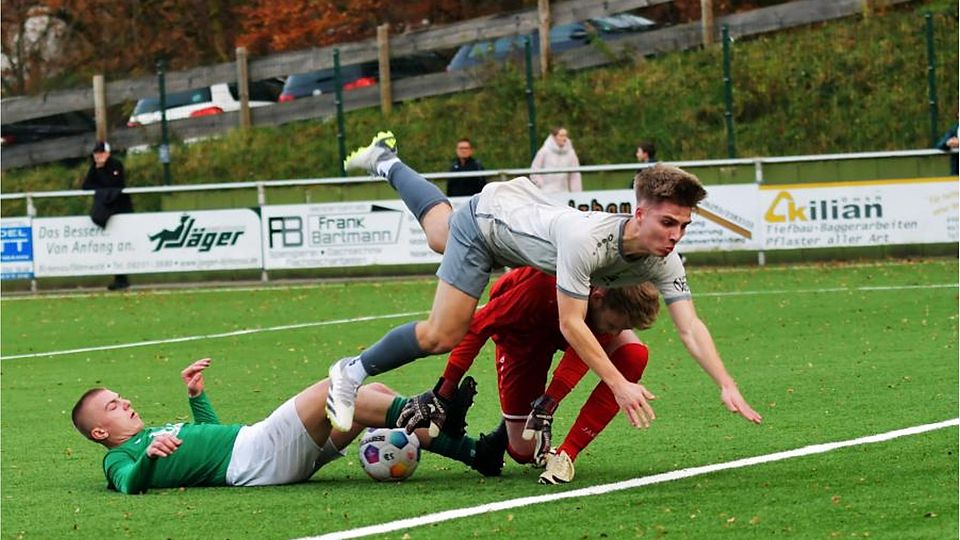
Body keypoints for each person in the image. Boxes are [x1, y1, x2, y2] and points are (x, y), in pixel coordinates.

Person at [328, 130, 761, 446]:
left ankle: (386, 161)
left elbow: (690, 327)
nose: (676, 235)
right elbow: (571, 324)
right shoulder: (586, 243)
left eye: (684, 225)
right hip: (488, 226)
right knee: (440, 335)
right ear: (639, 213)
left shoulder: (664, 258)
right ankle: (351, 372)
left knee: (438, 231)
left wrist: (725, 382)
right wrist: (617, 383)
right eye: (668, 222)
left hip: (526, 211)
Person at [71, 359, 493, 494]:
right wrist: (144, 458)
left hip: (255, 451)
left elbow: (213, 438)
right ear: (100, 433)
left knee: (372, 393)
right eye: (113, 405)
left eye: (120, 397)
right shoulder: (121, 457)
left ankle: (474, 452)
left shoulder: (149, 433)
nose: (124, 402)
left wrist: (198, 398)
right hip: (259, 455)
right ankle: (432, 408)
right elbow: (128, 484)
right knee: (337, 384)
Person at [436, 266, 660, 484]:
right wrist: (445, 391)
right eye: (613, 325)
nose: (614, 333)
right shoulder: (539, 290)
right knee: (523, 450)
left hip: (578, 316)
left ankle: (567, 454)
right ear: (598, 297)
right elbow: (477, 326)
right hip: (526, 334)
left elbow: (583, 352)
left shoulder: (616, 275)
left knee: (633, 355)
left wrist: (547, 405)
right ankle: (493, 444)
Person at [82, 141, 133, 290]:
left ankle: (122, 278)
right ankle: (120, 279)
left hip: (121, 210)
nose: (98, 156)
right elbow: (86, 185)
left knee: (123, 245)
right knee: (114, 245)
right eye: (96, 153)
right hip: (108, 211)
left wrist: (101, 174)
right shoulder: (95, 168)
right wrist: (98, 171)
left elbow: (116, 184)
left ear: (108, 153)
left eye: (101, 153)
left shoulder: (116, 165)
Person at [530, 126, 582, 193]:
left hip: (564, 193)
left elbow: (575, 175)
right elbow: (534, 171)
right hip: (546, 193)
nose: (564, 138)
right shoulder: (544, 151)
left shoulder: (571, 153)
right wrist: (543, 186)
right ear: (553, 137)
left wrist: (577, 194)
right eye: (561, 136)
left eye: (565, 135)